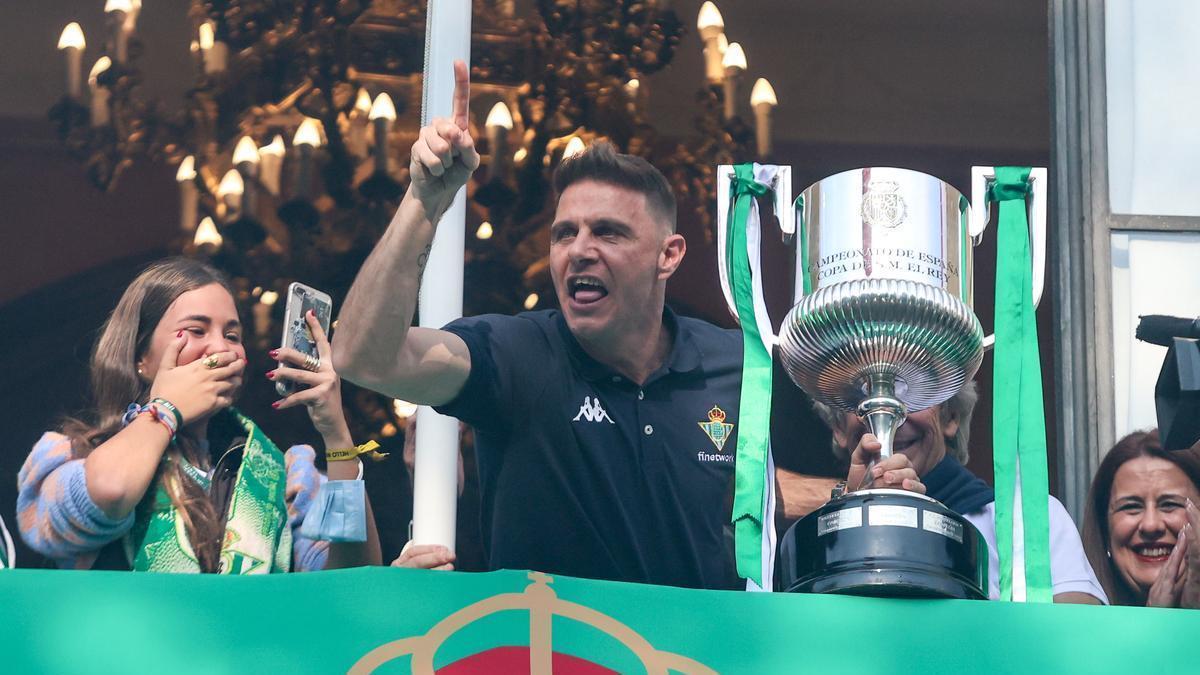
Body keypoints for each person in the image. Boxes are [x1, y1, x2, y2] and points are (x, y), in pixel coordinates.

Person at [333, 61, 923, 589]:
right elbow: (363, 357)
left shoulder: (739, 363)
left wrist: (849, 499)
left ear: (669, 255)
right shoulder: (517, 353)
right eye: (565, 233)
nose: (578, 250)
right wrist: (424, 199)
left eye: (608, 232)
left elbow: (730, 495)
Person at [16, 257, 382, 572]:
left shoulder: (281, 474)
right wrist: (165, 408)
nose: (221, 348)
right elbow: (110, 492)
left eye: (233, 335)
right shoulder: (74, 455)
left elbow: (352, 581)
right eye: (196, 330)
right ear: (140, 357)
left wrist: (337, 437)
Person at [812, 382, 1107, 603]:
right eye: (862, 395)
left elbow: (1082, 641)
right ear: (839, 426)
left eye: (913, 390)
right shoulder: (814, 542)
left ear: (950, 416)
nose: (891, 414)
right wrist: (853, 518)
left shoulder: (1029, 522)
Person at [1081, 430, 1200, 607]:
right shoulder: (1081, 628)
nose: (1150, 525)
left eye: (1170, 504)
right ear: (1105, 529)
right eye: (1131, 507)